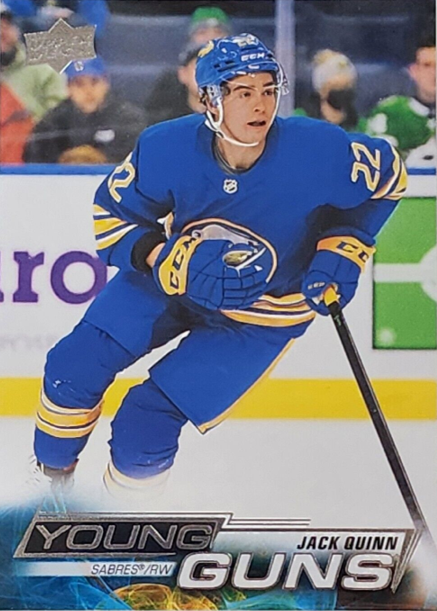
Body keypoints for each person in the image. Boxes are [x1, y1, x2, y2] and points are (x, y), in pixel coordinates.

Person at [32, 34, 406, 501]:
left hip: (263, 314)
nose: (260, 105)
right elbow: (113, 214)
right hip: (175, 282)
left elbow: (389, 177)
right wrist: (161, 257)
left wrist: (345, 244)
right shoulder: (166, 147)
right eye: (243, 92)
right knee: (73, 367)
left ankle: (122, 523)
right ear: (210, 100)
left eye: (268, 90)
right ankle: (50, 491)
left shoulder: (319, 149)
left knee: (145, 423)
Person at [24, 57, 147, 164]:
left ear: (106, 84)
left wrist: (102, 158)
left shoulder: (128, 118)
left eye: (94, 82)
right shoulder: (53, 121)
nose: (88, 91)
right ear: (68, 88)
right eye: (79, 84)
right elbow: (35, 159)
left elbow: (137, 159)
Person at [0, 1, 66, 162]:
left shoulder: (43, 70)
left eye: (6, 27)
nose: (2, 33)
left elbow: (61, 118)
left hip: (32, 156)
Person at [145, 6, 231, 125]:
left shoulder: (243, 77)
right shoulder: (169, 90)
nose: (210, 38)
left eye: (218, 32)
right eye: (202, 32)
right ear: (183, 73)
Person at [366, 28, 436, 166]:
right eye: (427, 65)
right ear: (413, 71)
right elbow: (375, 161)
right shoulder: (391, 112)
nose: (434, 73)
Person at [295, 49, 365, 132]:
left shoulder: (360, 125)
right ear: (321, 90)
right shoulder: (300, 120)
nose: (342, 92)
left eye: (347, 87)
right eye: (336, 87)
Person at [145, 42, 205, 126]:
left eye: (216, 68)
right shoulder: (162, 123)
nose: (208, 75)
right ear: (183, 74)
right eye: (201, 68)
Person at [2, 0, 109, 37]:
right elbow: (9, 17)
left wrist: (70, 19)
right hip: (26, 47)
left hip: (74, 50)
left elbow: (95, 27)